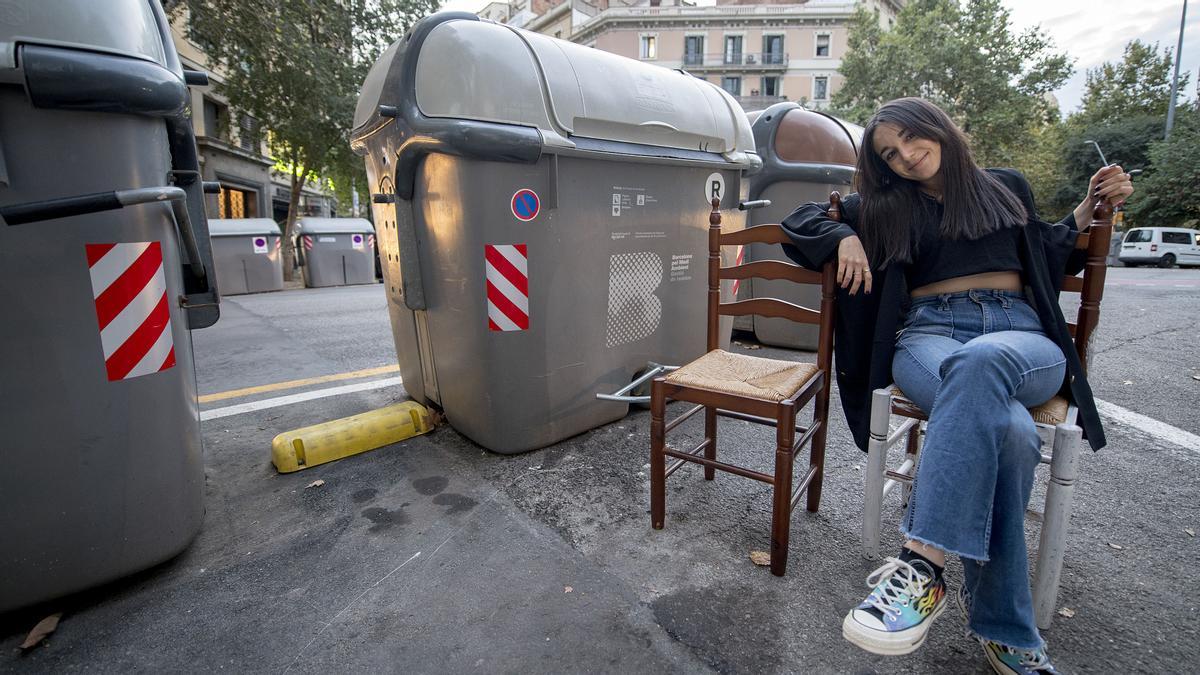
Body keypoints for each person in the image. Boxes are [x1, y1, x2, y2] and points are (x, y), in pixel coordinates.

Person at [780, 97, 1132, 675]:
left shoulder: (1004, 186)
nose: (906, 157)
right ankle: (1006, 631)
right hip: (929, 335)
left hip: (1020, 337)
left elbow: (1047, 249)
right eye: (889, 154)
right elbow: (799, 223)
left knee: (985, 361)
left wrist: (1091, 206)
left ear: (939, 129)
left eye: (912, 140)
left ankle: (922, 567)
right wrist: (841, 237)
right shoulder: (885, 206)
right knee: (1013, 433)